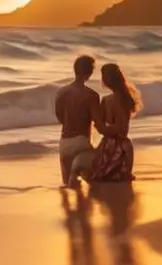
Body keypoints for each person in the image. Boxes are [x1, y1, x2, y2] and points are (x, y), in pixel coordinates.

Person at [86, 63, 142, 182]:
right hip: (126, 147)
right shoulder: (127, 98)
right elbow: (122, 127)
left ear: (105, 80)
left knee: (96, 174)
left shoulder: (107, 100)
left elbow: (103, 128)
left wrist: (97, 123)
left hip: (111, 147)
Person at [55, 55, 103, 187]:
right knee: (96, 182)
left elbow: (60, 117)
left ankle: (73, 174)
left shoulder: (61, 92)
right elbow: (98, 123)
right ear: (89, 73)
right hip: (81, 144)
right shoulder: (92, 95)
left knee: (68, 185)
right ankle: (78, 169)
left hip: (64, 144)